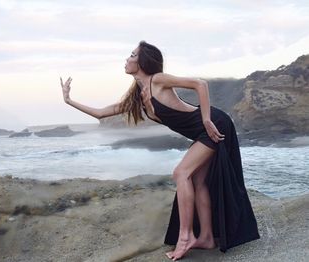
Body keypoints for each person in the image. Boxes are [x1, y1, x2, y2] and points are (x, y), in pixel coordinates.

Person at [59, 40, 260, 261]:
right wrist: (69, 101)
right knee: (198, 181)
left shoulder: (158, 80)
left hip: (215, 124)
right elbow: (101, 113)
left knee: (181, 173)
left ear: (143, 61)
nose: (127, 59)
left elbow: (200, 84)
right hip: (202, 132)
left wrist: (206, 120)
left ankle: (185, 238)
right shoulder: (138, 94)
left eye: (132, 55)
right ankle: (207, 237)